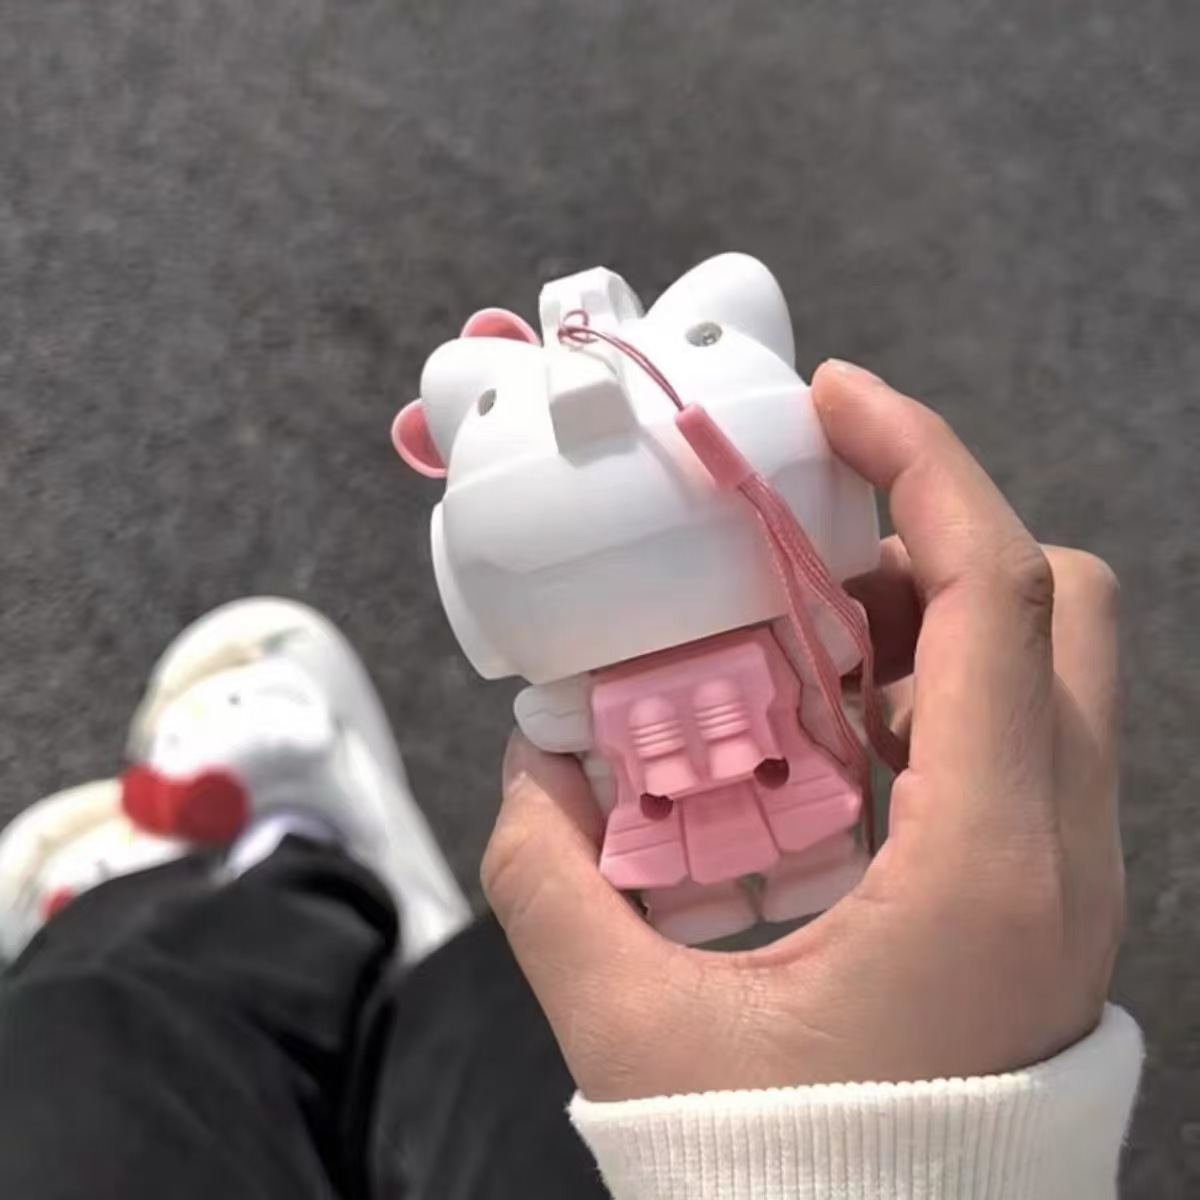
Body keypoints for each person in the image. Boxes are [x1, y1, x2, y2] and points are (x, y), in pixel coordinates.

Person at [0, 362, 1142, 1199]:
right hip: (694, 814)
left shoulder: (774, 643)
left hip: (758, 790)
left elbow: (777, 669)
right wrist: (911, 1160)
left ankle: (215, 899)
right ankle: (354, 931)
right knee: (523, 1044)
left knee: (88, 1046)